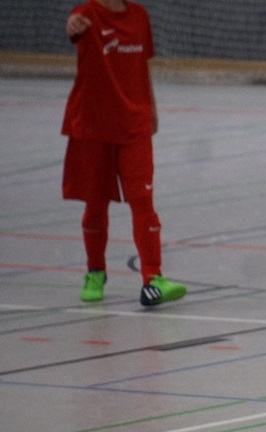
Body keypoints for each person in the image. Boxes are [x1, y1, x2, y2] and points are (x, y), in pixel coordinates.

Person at [61, 0, 186, 306]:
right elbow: (74, 28)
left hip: (134, 124)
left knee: (143, 201)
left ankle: (153, 279)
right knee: (95, 203)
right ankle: (95, 272)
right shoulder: (86, 15)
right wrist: (72, 26)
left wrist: (151, 108)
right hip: (93, 125)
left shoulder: (139, 16)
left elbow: (142, 66)